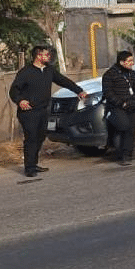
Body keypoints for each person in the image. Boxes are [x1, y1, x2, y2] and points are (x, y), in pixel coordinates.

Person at [8, 45, 87, 177]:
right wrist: (20, 100)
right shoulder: (26, 72)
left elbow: (63, 81)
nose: (49, 57)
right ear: (38, 55)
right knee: (31, 138)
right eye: (46, 54)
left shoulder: (49, 70)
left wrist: (79, 91)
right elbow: (14, 90)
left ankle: (34, 164)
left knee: (40, 137)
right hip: (29, 112)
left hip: (43, 110)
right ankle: (29, 168)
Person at [102, 50, 135, 166]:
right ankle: (118, 151)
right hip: (117, 107)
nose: (132, 63)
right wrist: (121, 103)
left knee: (131, 130)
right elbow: (108, 93)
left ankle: (127, 155)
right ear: (122, 62)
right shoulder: (109, 74)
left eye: (132, 60)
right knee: (123, 126)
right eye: (129, 61)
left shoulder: (132, 74)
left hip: (132, 106)